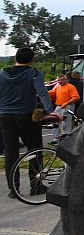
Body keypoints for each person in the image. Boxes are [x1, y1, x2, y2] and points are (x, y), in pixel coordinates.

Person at [1, 48, 59, 199]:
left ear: (15, 57)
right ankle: (36, 185)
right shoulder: (33, 73)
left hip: (5, 116)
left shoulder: (2, 73)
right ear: (31, 60)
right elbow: (42, 92)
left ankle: (14, 189)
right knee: (35, 149)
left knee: (11, 152)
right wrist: (49, 111)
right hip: (26, 115)